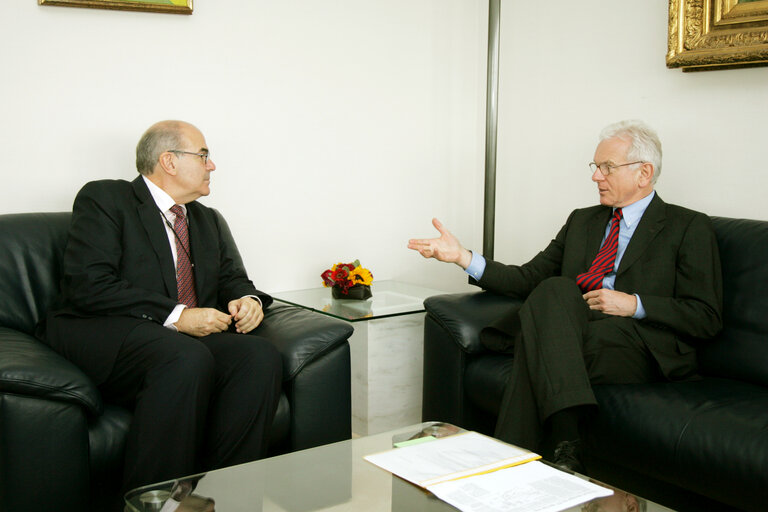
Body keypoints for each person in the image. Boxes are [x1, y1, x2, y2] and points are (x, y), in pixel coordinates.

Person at [408, 120, 722, 472]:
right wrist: (463, 257)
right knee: (555, 288)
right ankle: (564, 444)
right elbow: (529, 278)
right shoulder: (582, 221)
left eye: (607, 168)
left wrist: (634, 304)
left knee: (538, 336)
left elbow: (705, 317)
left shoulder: (689, 226)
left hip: (639, 343)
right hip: (572, 330)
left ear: (643, 173)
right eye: (595, 167)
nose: (596, 177)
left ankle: (503, 460)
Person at [41, 120, 283, 496]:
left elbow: (231, 279)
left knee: (260, 356)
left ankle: (227, 495)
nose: (212, 166)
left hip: (171, 341)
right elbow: (89, 284)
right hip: (104, 329)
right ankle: (156, 502)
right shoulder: (106, 198)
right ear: (169, 161)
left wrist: (247, 301)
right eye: (204, 155)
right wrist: (180, 315)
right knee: (184, 356)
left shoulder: (206, 219)